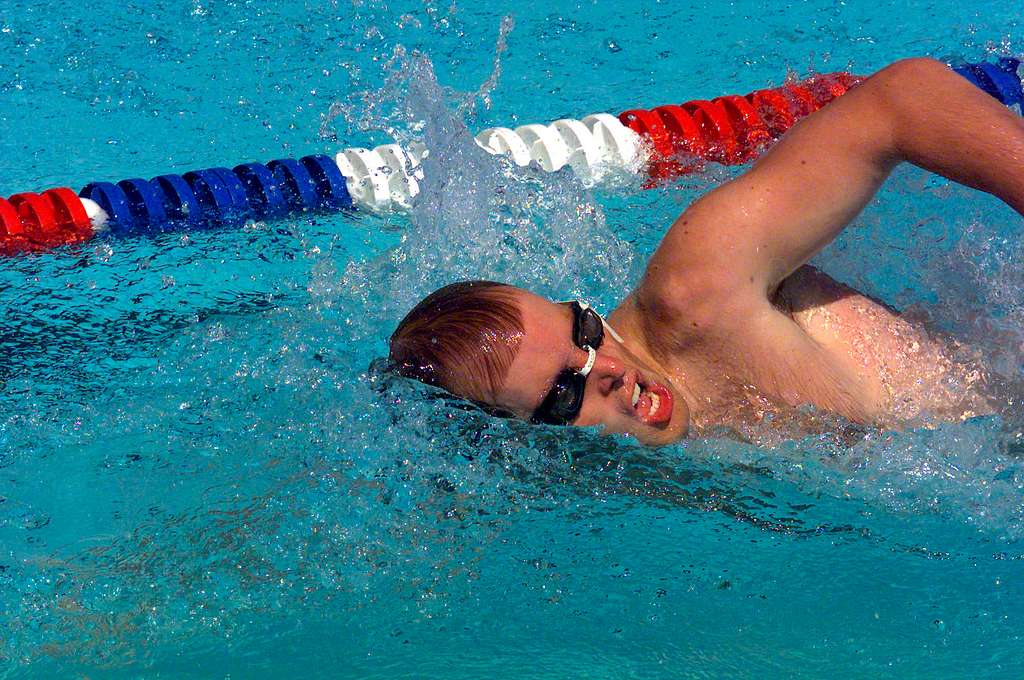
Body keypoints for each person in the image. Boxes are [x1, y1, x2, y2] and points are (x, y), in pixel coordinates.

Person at [389, 58, 1024, 446]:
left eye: (583, 330)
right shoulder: (615, 469)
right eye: (562, 395)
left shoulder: (698, 290)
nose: (602, 367)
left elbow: (904, 100)